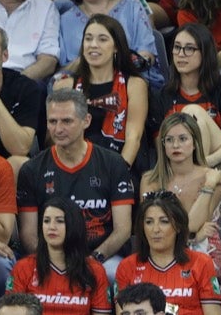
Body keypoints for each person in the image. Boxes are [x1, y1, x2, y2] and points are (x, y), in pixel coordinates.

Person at [16, 91, 135, 265]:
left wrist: (95, 259)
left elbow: (122, 230)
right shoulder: (32, 170)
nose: (58, 129)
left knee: (112, 272)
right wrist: (56, 265)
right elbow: (29, 235)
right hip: (50, 260)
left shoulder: (113, 163)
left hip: (102, 258)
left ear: (86, 121)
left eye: (67, 121)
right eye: (52, 121)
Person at [114, 195, 221, 315]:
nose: (155, 229)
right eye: (149, 222)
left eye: (164, 221)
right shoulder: (127, 267)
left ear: (178, 226)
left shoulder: (201, 262)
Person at [9, 198, 112, 315]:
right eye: (46, 221)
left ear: (74, 225)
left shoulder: (94, 270)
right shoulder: (24, 267)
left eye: (59, 221)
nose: (51, 227)